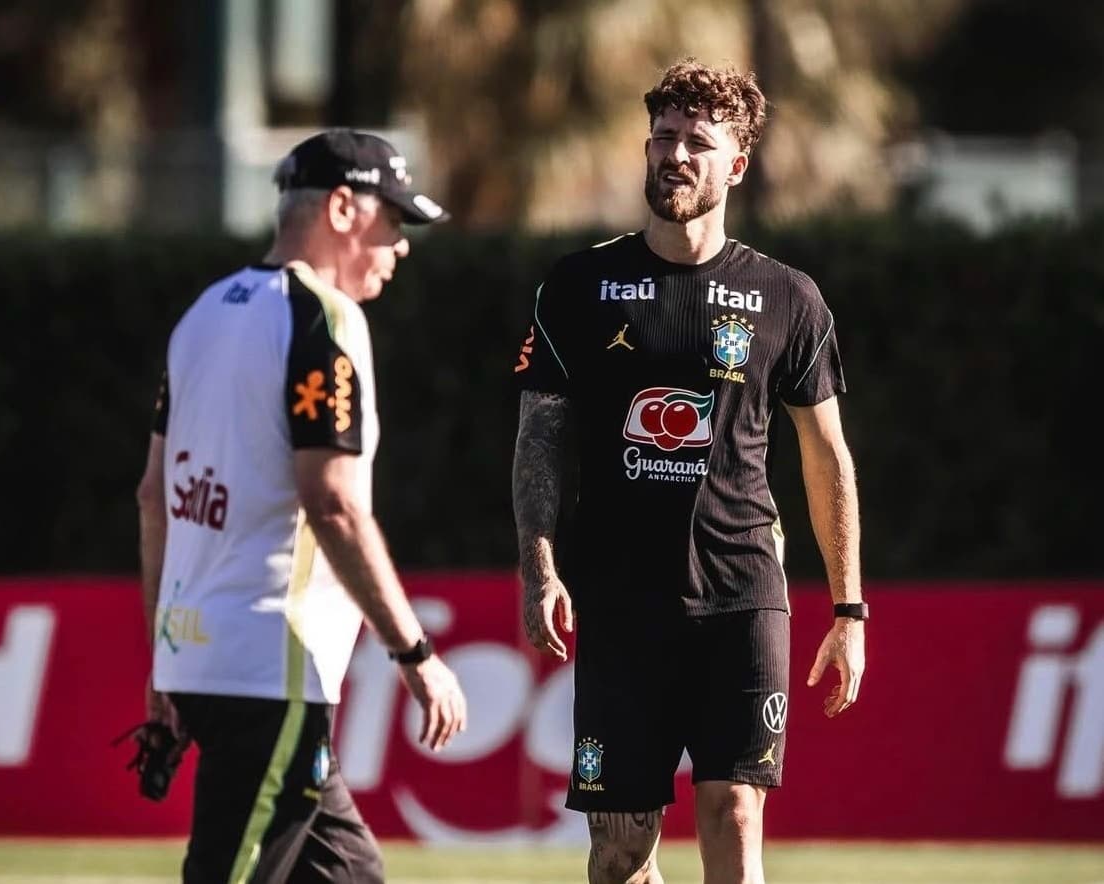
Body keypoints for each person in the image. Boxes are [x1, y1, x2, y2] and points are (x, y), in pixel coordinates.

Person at [511, 58, 866, 884]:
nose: (674, 155)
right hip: (620, 603)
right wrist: (539, 567)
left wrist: (849, 607)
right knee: (620, 851)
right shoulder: (579, 285)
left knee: (734, 812)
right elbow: (538, 439)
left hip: (743, 597)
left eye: (697, 143)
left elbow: (827, 457)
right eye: (663, 137)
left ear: (736, 164)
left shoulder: (788, 298)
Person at [135, 128, 467, 884]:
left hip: (200, 655)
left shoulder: (204, 314)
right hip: (270, 669)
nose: (400, 245)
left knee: (351, 875)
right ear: (342, 210)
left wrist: (162, 658)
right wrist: (415, 655)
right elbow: (335, 503)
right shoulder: (326, 320)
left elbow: (154, 495)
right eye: (392, 219)